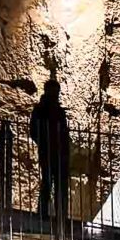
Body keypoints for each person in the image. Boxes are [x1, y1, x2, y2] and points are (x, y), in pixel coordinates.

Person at [29, 78, 72, 223]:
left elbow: (63, 132)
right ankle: (48, 213)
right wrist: (45, 142)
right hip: (49, 151)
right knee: (49, 182)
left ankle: (53, 214)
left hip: (55, 152)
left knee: (55, 183)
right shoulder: (42, 111)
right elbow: (34, 131)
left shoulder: (54, 111)